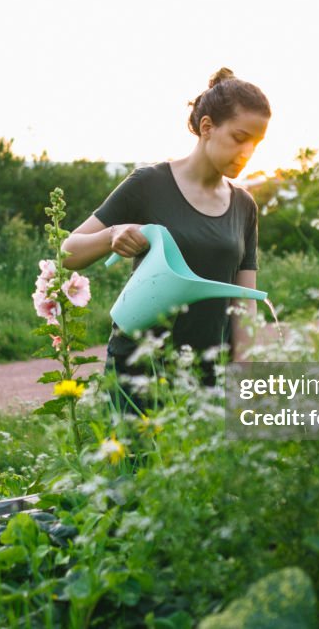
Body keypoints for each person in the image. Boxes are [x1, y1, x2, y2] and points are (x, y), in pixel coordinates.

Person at [61, 67, 270, 410]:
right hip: (139, 369)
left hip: (207, 375)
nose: (248, 151)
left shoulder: (244, 205)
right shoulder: (148, 184)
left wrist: (243, 375)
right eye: (239, 137)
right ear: (207, 127)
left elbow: (243, 301)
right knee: (137, 463)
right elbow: (65, 252)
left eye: (256, 143)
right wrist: (112, 234)